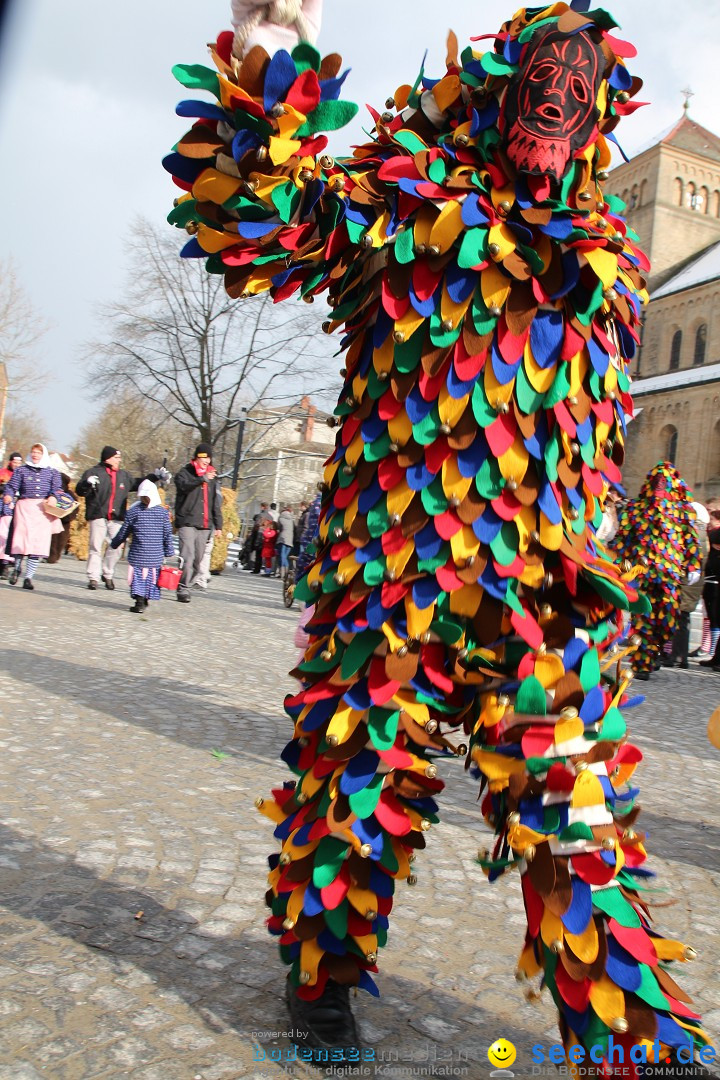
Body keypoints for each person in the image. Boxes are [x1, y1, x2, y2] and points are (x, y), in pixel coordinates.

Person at [167, 5, 706, 1069]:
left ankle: (634, 1042)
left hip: (541, 600)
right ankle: (320, 987)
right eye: (541, 86)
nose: (556, 106)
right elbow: (259, 223)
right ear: (501, 93)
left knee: (577, 823)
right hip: (394, 585)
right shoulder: (413, 207)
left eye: (577, 90)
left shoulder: (604, 258)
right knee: (351, 795)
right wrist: (272, 54)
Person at [614, 462, 702, 680]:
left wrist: (693, 564)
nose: (660, 485)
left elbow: (691, 540)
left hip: (669, 576)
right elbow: (623, 538)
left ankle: (653, 652)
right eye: (657, 481)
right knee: (643, 618)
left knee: (668, 620)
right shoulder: (635, 508)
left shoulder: (684, 512)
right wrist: (616, 560)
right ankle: (642, 662)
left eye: (665, 482)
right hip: (642, 573)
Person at [75, 446, 140, 591]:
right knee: (95, 547)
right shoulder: (93, 472)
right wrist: (87, 483)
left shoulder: (123, 475)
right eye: (117, 457)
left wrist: (155, 477)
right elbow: (79, 490)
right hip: (98, 515)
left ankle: (107, 572)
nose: (119, 460)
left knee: (117, 546)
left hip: (116, 518)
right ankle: (93, 577)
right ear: (108, 458)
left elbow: (137, 483)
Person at [2, 443, 64, 589]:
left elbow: (57, 489)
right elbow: (11, 486)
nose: (35, 455)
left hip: (42, 511)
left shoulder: (52, 472)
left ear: (44, 455)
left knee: (37, 544)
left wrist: (54, 497)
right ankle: (16, 568)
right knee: (21, 541)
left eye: (39, 453)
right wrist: (8, 495)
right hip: (24, 508)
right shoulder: (22, 470)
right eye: (33, 452)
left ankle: (29, 577)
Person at [110, 480, 174, 613]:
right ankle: (145, 599)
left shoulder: (134, 512)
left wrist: (115, 543)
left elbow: (124, 531)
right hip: (155, 555)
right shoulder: (162, 513)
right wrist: (169, 550)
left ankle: (139, 601)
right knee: (151, 578)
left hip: (138, 554)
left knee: (138, 578)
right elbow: (167, 533)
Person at [173, 443, 223, 603]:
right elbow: (182, 486)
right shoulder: (185, 472)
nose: (206, 461)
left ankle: (187, 582)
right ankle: (183, 589)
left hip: (204, 524)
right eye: (203, 457)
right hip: (187, 522)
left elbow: (215, 502)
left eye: (208, 458)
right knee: (187, 557)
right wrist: (201, 479)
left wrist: (218, 524)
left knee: (197, 560)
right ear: (196, 458)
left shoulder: (213, 478)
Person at [0, 451, 23, 578]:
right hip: (4, 508)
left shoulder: (22, 474)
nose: (17, 465)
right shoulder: (3, 473)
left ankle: (9, 563)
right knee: (3, 535)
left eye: (19, 462)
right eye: (15, 462)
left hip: (17, 509)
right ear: (10, 462)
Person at [277, 504, 294, 578]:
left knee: (282, 556)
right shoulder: (292, 519)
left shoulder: (280, 518)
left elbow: (278, 528)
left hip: (282, 539)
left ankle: (283, 573)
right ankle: (285, 573)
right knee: (285, 556)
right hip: (290, 540)